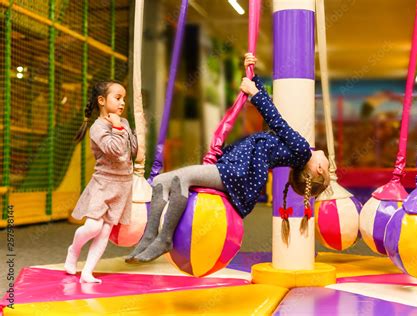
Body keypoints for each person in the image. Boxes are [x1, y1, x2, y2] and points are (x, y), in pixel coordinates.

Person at [125, 53, 330, 263]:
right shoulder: (295, 153)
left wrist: (255, 94)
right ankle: (149, 237)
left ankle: (164, 239)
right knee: (160, 181)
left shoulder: (303, 150)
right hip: (233, 168)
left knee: (181, 180)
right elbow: (274, 120)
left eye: (329, 166)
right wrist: (253, 76)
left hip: (237, 174)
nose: (329, 160)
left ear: (320, 169)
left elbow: (277, 121)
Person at [64, 81, 137, 283]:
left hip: (122, 185)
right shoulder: (98, 127)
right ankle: (74, 249)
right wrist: (117, 126)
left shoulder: (124, 123)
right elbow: (114, 150)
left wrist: (136, 144)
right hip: (104, 183)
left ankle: (88, 271)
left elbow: (130, 151)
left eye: (124, 98)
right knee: (93, 227)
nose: (122, 102)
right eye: (117, 98)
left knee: (105, 231)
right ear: (102, 101)